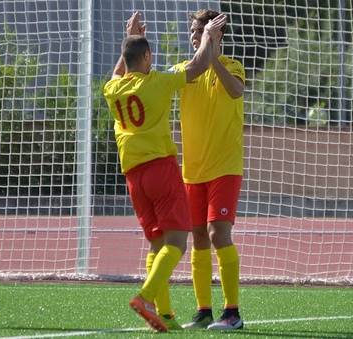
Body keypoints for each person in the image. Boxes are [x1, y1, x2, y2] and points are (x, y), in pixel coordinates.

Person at [103, 12, 224, 332]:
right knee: (176, 243)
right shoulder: (156, 81)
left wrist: (129, 37)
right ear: (145, 57)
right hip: (160, 169)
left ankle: (166, 314)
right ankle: (146, 296)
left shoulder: (111, 89)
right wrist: (210, 36)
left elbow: (120, 69)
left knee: (156, 244)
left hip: (132, 176)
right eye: (149, 55)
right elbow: (198, 67)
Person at [171, 9, 246, 330]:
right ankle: (203, 311)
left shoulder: (231, 66)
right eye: (192, 29)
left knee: (218, 233)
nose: (193, 34)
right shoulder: (184, 70)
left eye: (200, 29)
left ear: (215, 35)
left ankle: (232, 312)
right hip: (193, 171)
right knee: (199, 237)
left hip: (224, 167)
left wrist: (212, 53)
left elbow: (236, 91)